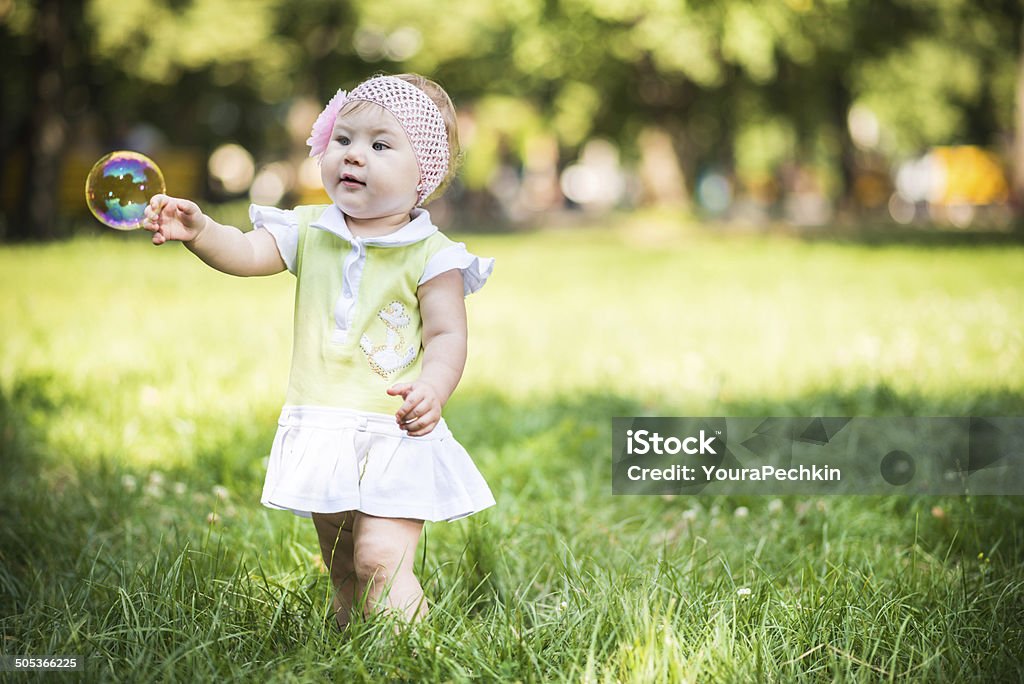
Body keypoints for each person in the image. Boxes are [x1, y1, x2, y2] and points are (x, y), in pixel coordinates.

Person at [142, 74, 495, 628]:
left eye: (380, 145)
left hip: (394, 430)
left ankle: (412, 655)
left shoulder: (432, 254)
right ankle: (350, 641)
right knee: (342, 559)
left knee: (379, 555)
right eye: (344, 139)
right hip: (324, 424)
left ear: (423, 173)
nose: (354, 155)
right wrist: (203, 230)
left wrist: (434, 386)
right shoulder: (309, 229)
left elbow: (449, 335)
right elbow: (244, 251)